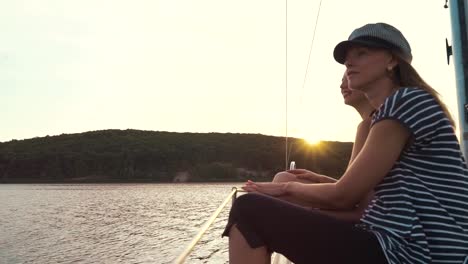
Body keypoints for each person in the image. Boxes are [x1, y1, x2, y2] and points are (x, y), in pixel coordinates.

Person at [222, 22, 468, 264]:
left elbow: (345, 197)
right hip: (399, 244)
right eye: (347, 57)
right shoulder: (395, 109)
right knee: (260, 205)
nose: (349, 62)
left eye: (362, 53)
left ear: (392, 61)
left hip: (413, 253)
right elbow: (357, 193)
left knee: (250, 210)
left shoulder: (406, 102)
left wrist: (286, 189)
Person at [271, 73, 375, 222]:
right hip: (364, 210)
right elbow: (359, 190)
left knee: (269, 195)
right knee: (284, 178)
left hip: (371, 224)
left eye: (349, 78)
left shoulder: (371, 125)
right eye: (342, 81)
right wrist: (321, 178)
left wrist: (306, 211)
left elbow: (360, 207)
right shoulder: (371, 123)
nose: (342, 85)